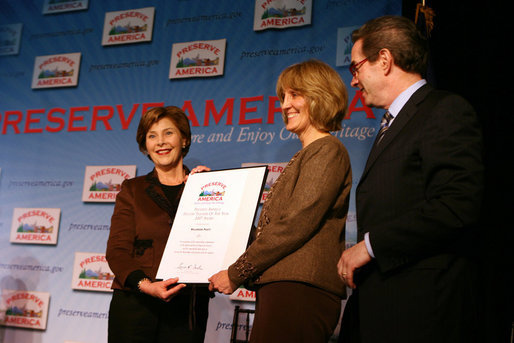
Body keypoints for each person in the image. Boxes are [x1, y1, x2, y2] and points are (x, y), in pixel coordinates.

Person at [337, 15, 484, 343]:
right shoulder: (393, 123)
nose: (353, 81)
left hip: (421, 310)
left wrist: (371, 246)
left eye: (356, 67)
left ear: (385, 60)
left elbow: (456, 205)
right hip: (384, 306)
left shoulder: (443, 110)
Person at [208, 59, 353, 342]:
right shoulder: (308, 154)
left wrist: (237, 272)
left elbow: (295, 223)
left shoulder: (327, 151)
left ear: (320, 96)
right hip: (285, 289)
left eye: (295, 95)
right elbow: (274, 228)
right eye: (283, 96)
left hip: (300, 291)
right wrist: (211, 203)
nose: (285, 104)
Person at [106, 106, 211, 343]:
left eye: (168, 133)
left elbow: (224, 239)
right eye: (152, 136)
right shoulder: (132, 190)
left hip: (186, 311)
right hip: (135, 308)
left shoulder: (205, 187)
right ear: (145, 145)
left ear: (184, 139)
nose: (160, 142)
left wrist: (210, 189)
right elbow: (117, 252)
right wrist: (146, 285)